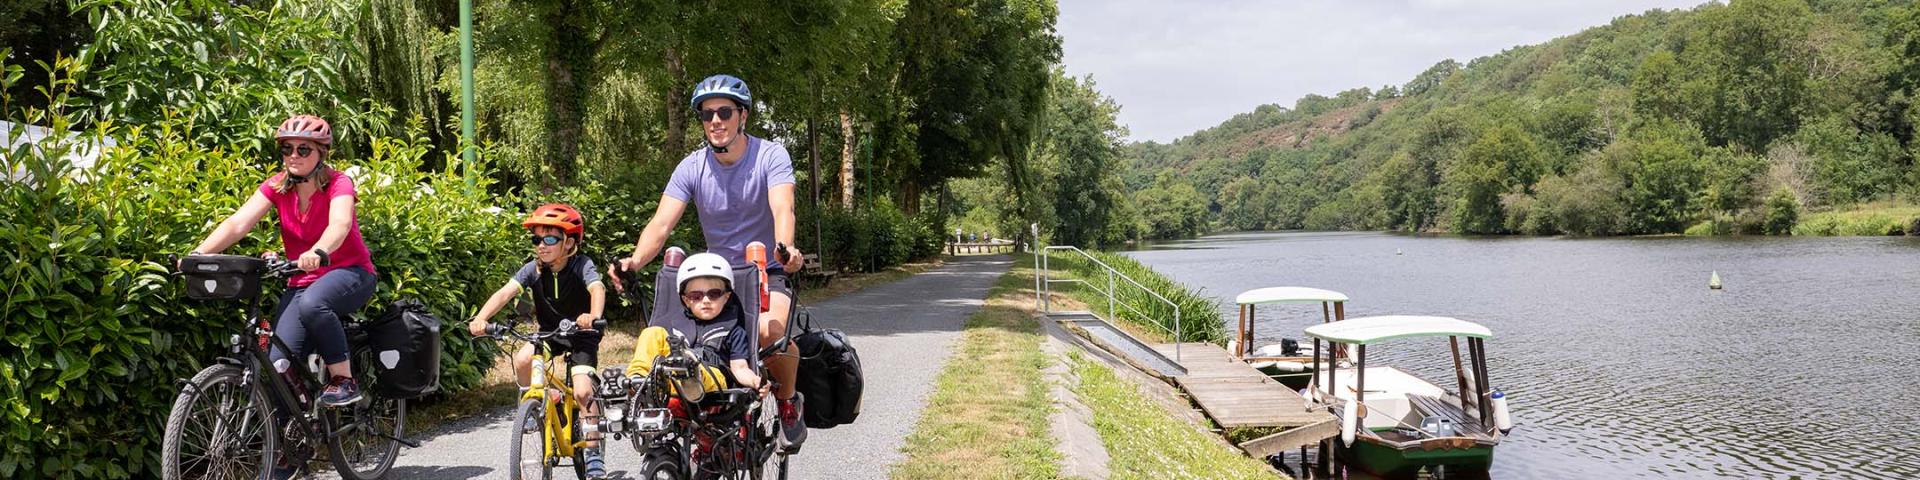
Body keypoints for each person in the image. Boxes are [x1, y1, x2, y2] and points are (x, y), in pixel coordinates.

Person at [611, 73, 809, 452]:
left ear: (742, 116)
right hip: (716, 275)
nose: (715, 121)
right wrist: (634, 261)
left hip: (765, 267)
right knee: (678, 343)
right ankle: (700, 422)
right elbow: (661, 223)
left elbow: (783, 206)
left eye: (724, 112)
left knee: (769, 333)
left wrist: (785, 247)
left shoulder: (770, 155)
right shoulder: (692, 166)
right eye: (706, 115)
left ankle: (787, 400)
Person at [186, 114, 377, 408]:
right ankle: (288, 449)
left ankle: (344, 380)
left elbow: (339, 224)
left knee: (314, 303)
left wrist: (319, 251)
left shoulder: (339, 183)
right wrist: (197, 255)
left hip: (349, 273)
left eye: (304, 149)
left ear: (321, 153)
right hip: (301, 281)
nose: (294, 156)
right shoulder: (277, 186)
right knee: (277, 365)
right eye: (287, 149)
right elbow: (238, 224)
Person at [467, 203, 608, 478]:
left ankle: (592, 454)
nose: (541, 245)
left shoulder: (582, 265)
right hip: (549, 334)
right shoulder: (533, 269)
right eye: (537, 239)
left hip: (582, 336)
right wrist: (480, 318)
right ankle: (541, 404)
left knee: (581, 392)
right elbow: (505, 293)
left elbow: (597, 288)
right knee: (521, 359)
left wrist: (593, 315)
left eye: (550, 239)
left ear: (568, 243)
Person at [625, 253, 763, 396]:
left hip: (713, 380)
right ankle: (638, 379)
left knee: (699, 370)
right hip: (671, 377)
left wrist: (755, 381)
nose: (705, 300)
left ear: (726, 297)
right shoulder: (674, 325)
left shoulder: (735, 331)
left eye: (714, 294)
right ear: (686, 300)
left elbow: (739, 368)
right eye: (696, 296)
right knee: (652, 332)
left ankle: (691, 377)